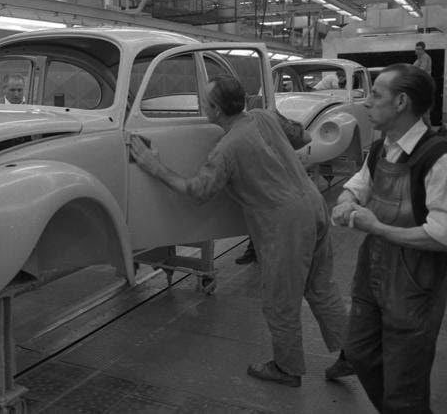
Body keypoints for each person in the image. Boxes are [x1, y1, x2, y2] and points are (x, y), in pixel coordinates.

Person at [130, 75, 348, 387]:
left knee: (279, 299)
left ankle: (287, 369)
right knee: (320, 286)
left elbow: (198, 190)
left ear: (216, 111)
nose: (203, 107)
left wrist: (153, 166)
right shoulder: (265, 115)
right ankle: (351, 352)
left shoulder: (226, 149)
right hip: (314, 204)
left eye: (205, 103)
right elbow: (301, 136)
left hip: (285, 223)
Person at [331, 63, 447, 412]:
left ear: (402, 101)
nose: (367, 103)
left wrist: (376, 227)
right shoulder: (381, 149)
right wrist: (346, 201)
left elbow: (445, 235)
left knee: (405, 384)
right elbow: (358, 185)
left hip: (414, 284)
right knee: (360, 353)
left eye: (376, 95)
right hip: (372, 274)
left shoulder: (441, 158)